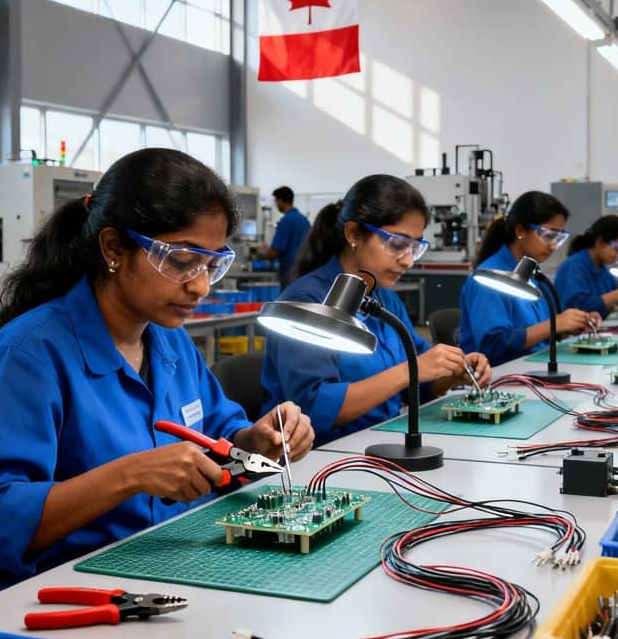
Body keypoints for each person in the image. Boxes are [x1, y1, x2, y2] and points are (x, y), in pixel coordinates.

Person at [0, 149, 314, 611]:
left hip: (160, 567)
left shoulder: (170, 343)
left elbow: (220, 440)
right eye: (181, 261)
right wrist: (130, 475)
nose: (200, 286)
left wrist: (255, 442)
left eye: (212, 264)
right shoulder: (29, 357)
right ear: (114, 248)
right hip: (44, 596)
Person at [260, 174, 492, 445]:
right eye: (397, 244)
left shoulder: (385, 301)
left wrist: (452, 373)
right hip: (321, 456)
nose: (407, 261)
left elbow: (422, 380)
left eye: (414, 248)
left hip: (378, 441)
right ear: (354, 234)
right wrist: (408, 371)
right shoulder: (305, 304)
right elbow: (312, 408)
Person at [459, 191, 598, 365]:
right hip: (498, 378)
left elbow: (541, 335)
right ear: (520, 231)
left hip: (531, 368)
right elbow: (492, 347)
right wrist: (554, 325)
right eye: (549, 235)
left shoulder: (534, 276)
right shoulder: (488, 280)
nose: (554, 246)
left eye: (559, 238)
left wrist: (572, 325)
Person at [555, 215, 618, 317]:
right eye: (617, 248)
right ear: (600, 242)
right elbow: (576, 307)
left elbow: (616, 295)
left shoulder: (602, 269)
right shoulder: (575, 266)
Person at [256, 186, 311, 290]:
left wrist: (259, 253)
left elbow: (275, 252)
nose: (276, 205)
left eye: (276, 201)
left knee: (287, 301)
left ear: (280, 201)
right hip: (304, 270)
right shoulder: (304, 220)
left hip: (289, 271)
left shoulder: (286, 221)